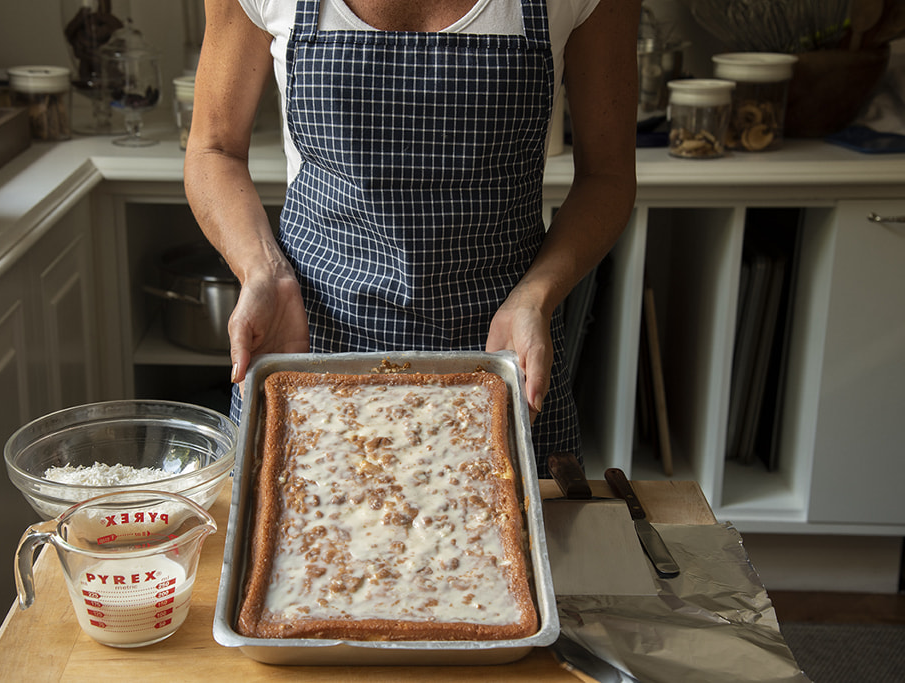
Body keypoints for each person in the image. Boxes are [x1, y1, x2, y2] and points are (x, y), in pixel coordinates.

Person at [184, 0, 638, 477]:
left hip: (503, 359)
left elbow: (606, 176)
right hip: (310, 346)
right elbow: (214, 149)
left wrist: (536, 297)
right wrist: (263, 271)